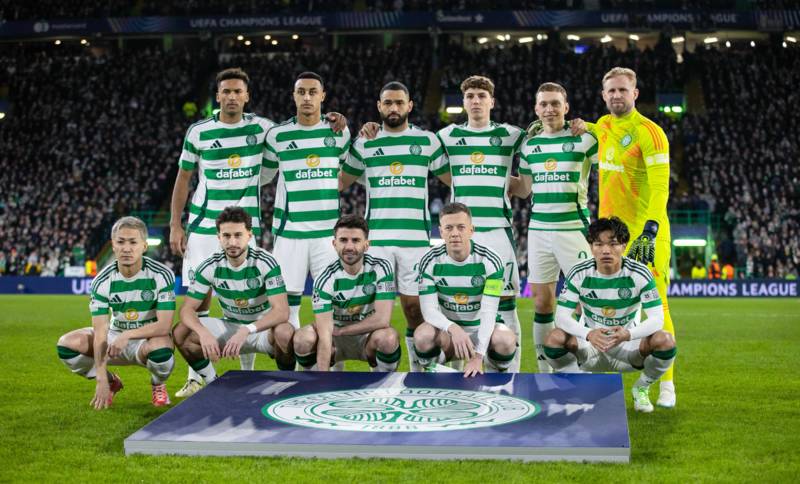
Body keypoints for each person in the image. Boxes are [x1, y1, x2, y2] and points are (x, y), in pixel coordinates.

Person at [170, 68, 346, 397]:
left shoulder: (265, 129)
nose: (232, 96)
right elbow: (183, 178)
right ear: (217, 96)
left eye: (238, 91)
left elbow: (296, 135)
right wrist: (175, 224)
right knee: (200, 301)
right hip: (204, 226)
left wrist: (334, 120)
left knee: (250, 293)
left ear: (247, 96)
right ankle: (196, 377)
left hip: (245, 226)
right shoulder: (199, 132)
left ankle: (257, 369)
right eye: (226, 91)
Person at [572, 67, 678, 408]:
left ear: (635, 93)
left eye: (623, 90)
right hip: (610, 237)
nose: (617, 95)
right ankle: (591, 374)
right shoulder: (603, 125)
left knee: (657, 306)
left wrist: (650, 230)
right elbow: (592, 127)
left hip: (647, 236)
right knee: (598, 301)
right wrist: (580, 125)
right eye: (611, 91)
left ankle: (666, 386)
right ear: (604, 96)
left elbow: (661, 186)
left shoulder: (651, 132)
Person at [340, 81, 450, 371]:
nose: (393, 107)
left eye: (399, 102)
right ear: (379, 106)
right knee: (375, 312)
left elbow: (454, 178)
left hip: (415, 241)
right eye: (388, 102)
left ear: (409, 106)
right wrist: (341, 140)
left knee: (414, 309)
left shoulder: (427, 141)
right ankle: (380, 375)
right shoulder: (365, 142)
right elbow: (341, 181)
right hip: (377, 241)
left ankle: (418, 370)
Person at [436, 75, 525, 372]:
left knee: (506, 304)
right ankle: (460, 374)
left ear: (492, 101)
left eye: (481, 96)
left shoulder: (510, 134)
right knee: (457, 303)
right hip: (461, 234)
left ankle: (511, 375)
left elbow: (542, 138)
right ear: (463, 102)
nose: (476, 101)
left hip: (498, 231)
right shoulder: (447, 135)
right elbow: (427, 156)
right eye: (470, 96)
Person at [543, 217, 677, 413]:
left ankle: (641, 387)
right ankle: (579, 384)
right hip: (590, 348)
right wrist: (589, 333)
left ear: (624, 246)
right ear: (591, 247)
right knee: (554, 338)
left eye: (613, 244)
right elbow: (561, 317)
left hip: (628, 349)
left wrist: (628, 334)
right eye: (599, 244)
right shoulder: (579, 272)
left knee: (665, 340)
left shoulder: (639, 273)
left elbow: (657, 319)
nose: (606, 250)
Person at [510, 82, 598, 373]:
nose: (549, 109)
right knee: (542, 302)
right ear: (536, 109)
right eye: (544, 104)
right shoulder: (529, 145)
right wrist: (488, 176)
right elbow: (524, 188)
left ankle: (586, 365)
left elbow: (611, 166)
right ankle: (544, 369)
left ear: (566, 107)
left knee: (586, 300)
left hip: (574, 229)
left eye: (555, 103)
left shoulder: (584, 139)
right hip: (539, 230)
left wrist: (591, 127)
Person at [261, 71, 352, 337]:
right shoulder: (278, 135)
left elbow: (347, 173)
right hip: (290, 232)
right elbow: (264, 175)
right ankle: (294, 361)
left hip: (328, 234)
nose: (307, 97)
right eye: (301, 92)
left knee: (334, 305)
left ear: (323, 96)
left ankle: (329, 359)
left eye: (313, 92)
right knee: (286, 310)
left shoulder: (339, 132)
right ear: (294, 96)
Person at [56, 216, 176, 409]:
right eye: (121, 242)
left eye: (133, 242)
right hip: (114, 340)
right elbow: (100, 332)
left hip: (147, 340)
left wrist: (127, 335)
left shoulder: (161, 274)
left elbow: (164, 325)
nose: (126, 248)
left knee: (162, 350)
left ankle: (157, 384)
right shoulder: (102, 281)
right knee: (66, 345)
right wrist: (101, 378)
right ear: (113, 245)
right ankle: (112, 382)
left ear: (144, 246)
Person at [174, 207, 294, 384]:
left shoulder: (265, 262)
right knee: (181, 332)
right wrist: (203, 332)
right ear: (219, 237)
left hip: (262, 329)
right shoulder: (210, 266)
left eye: (238, 235)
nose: (232, 242)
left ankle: (287, 382)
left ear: (249, 235)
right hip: (230, 327)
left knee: (285, 332)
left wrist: (247, 329)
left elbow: (282, 312)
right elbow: (187, 310)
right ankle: (213, 382)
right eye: (226, 236)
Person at [413, 203, 517, 376]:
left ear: (471, 230)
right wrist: (453, 328)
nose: (455, 233)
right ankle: (434, 374)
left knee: (505, 339)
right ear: (441, 231)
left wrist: (478, 356)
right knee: (422, 336)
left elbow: (489, 311)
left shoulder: (490, 260)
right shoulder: (429, 260)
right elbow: (428, 311)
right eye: (449, 228)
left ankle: (494, 374)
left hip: (481, 331)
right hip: (448, 334)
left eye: (461, 227)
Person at [294, 215, 401, 372]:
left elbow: (382, 319)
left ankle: (386, 381)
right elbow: (325, 335)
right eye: (343, 240)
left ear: (366, 245)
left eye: (356, 240)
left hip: (366, 337)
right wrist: (321, 380)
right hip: (334, 340)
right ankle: (317, 379)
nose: (349, 246)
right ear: (334, 244)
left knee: (388, 338)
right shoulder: (324, 279)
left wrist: (342, 330)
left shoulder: (381, 268)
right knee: (302, 338)